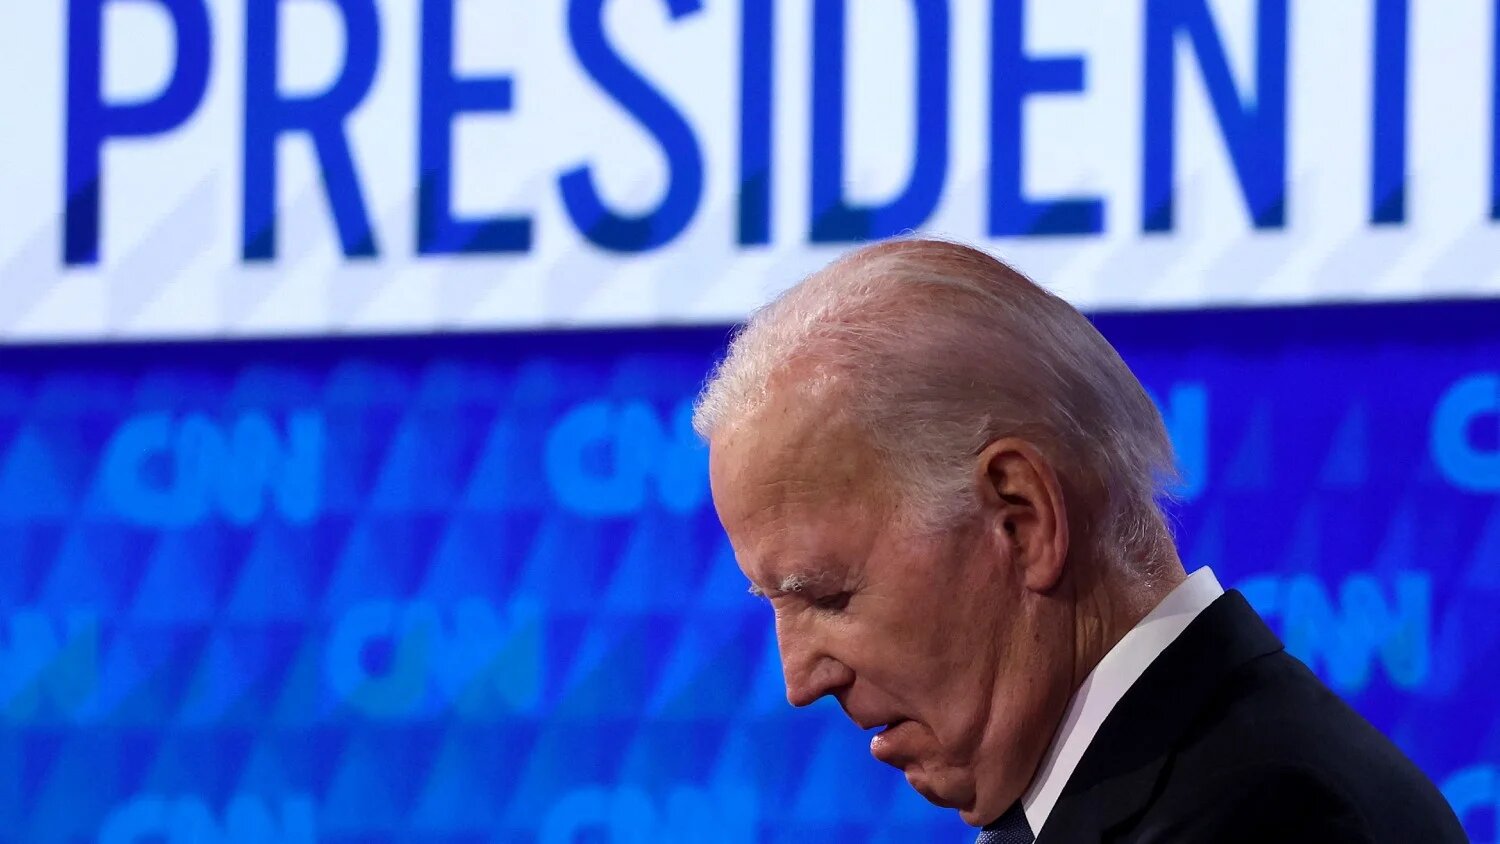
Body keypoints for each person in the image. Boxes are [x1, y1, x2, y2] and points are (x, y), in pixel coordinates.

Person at [692, 238, 1466, 842]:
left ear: (1021, 518)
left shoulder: (1270, 818)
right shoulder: (1150, 793)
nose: (798, 680)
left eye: (827, 594)